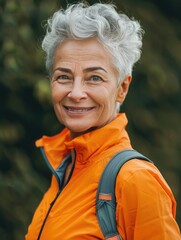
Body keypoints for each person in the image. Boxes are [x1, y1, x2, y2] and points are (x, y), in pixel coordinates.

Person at [25, 2, 181, 240]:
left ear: (122, 88)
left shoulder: (135, 180)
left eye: (94, 78)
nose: (76, 93)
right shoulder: (65, 168)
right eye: (64, 76)